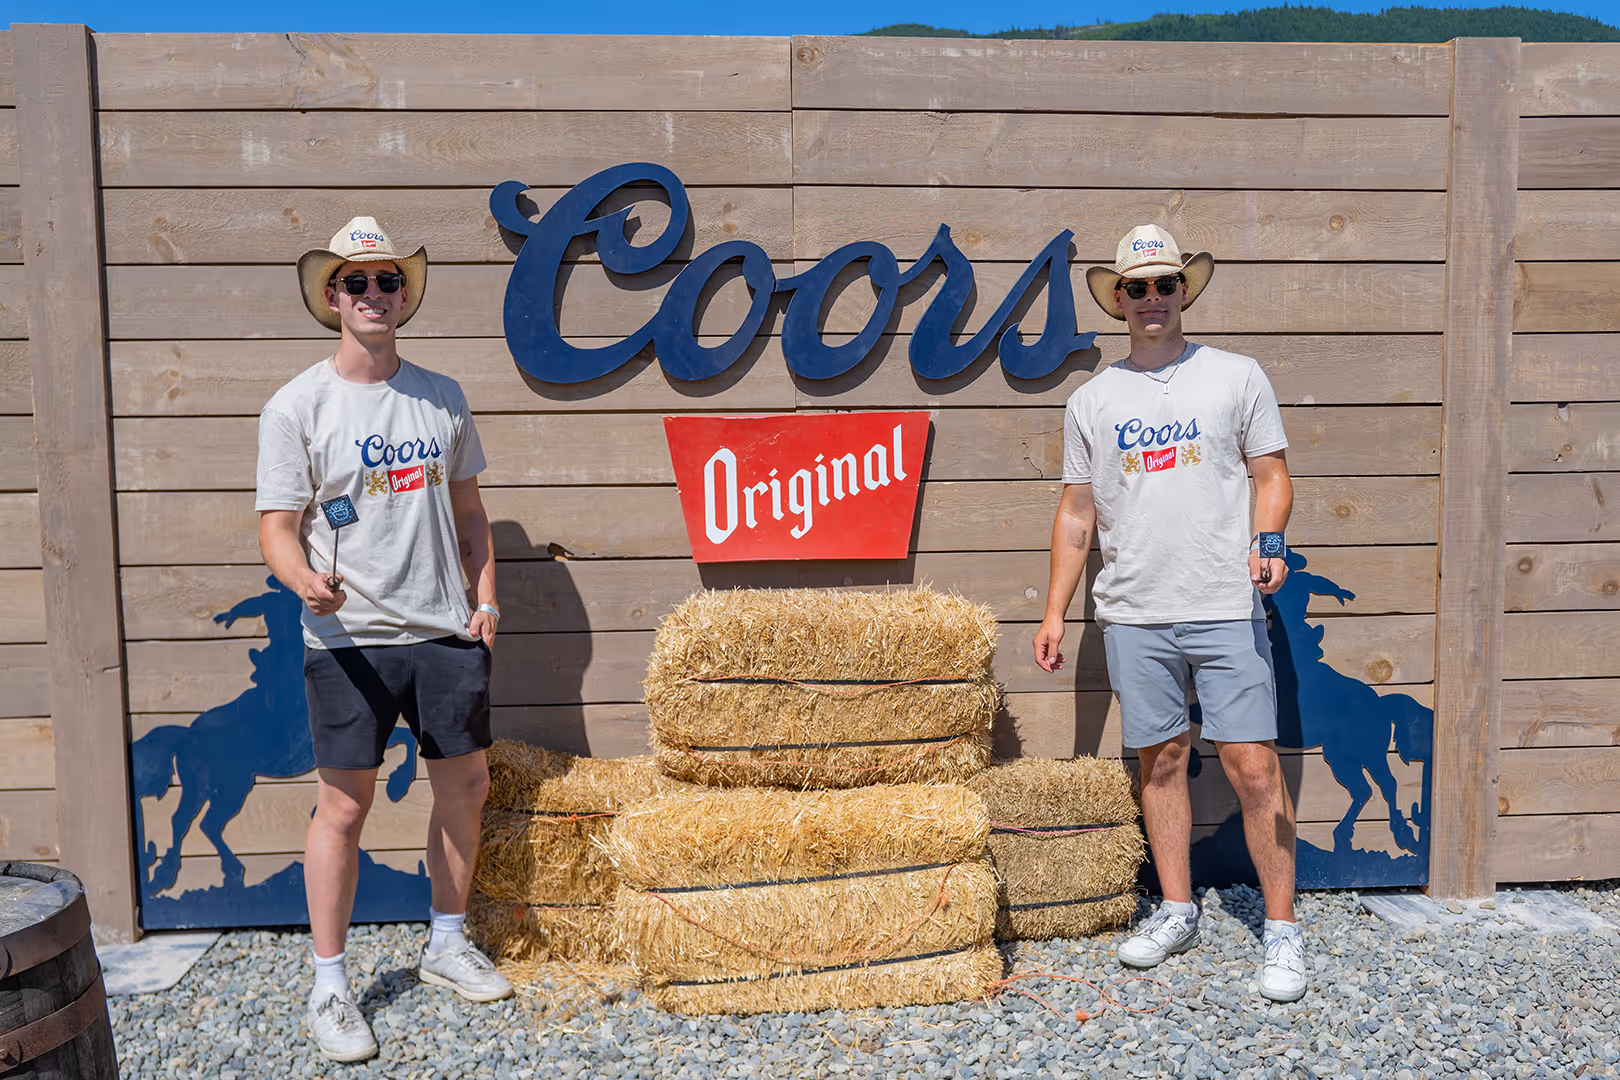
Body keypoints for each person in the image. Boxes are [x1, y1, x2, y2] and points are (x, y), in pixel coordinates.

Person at [255, 217, 512, 1063]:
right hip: (349, 639)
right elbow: (277, 528)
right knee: (343, 808)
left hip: (443, 629)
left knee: (465, 785)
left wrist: (485, 599)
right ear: (332, 297)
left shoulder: (441, 397)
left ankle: (447, 941)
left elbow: (471, 516)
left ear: (404, 296)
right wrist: (304, 581)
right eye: (356, 282)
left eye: (387, 280)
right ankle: (329, 986)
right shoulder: (296, 406)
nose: (374, 294)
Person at [1032, 225, 1306, 1003]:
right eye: (1137, 287)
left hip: (1224, 605)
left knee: (1254, 767)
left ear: (1184, 290)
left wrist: (1270, 541)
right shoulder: (1092, 400)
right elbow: (1077, 514)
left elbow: (1272, 474)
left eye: (1164, 283)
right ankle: (1178, 910)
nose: (1152, 298)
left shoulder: (1235, 376)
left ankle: (1282, 930)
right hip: (1134, 612)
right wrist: (1054, 613)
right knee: (1160, 763)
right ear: (1118, 299)